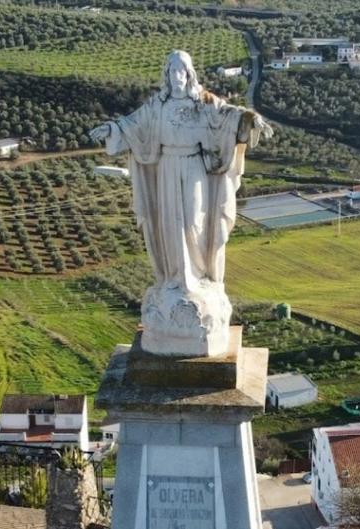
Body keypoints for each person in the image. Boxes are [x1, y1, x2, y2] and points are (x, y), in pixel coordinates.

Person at [90, 50, 272, 355]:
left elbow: (229, 116)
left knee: (193, 223)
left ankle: (199, 278)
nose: (176, 78)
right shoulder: (157, 107)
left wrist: (250, 120)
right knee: (170, 225)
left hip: (195, 167)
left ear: (189, 75)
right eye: (171, 72)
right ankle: (176, 278)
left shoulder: (203, 103)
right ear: (166, 76)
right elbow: (133, 125)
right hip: (167, 167)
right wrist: (111, 129)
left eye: (181, 72)